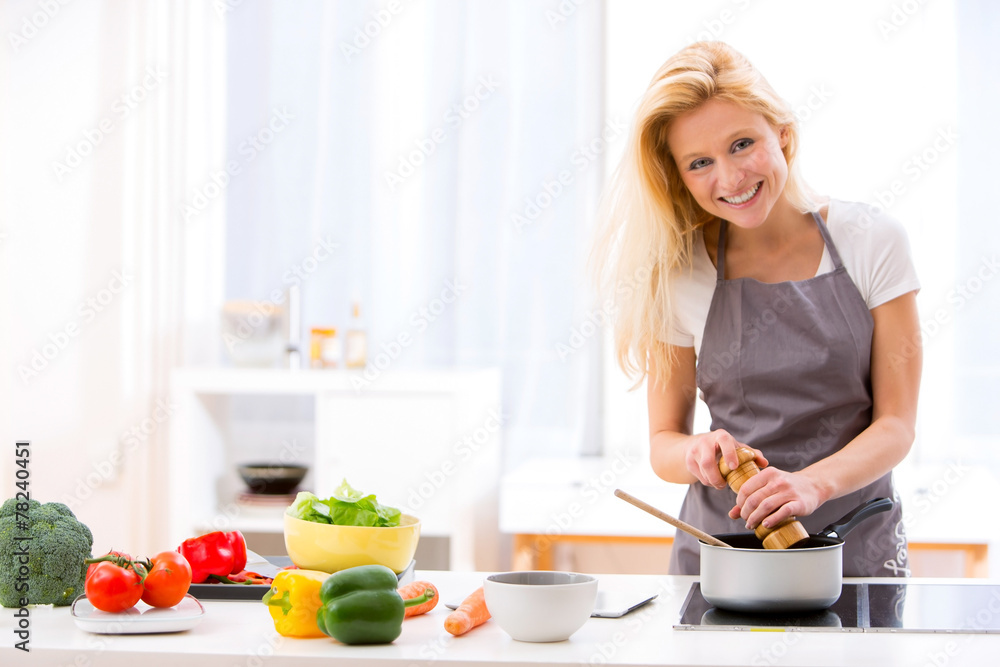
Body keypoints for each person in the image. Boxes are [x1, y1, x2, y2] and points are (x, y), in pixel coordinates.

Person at [593, 41, 921, 576]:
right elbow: (663, 443)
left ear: (783, 135)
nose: (730, 178)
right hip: (723, 557)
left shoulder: (871, 240)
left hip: (854, 548)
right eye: (700, 162)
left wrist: (812, 484)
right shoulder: (680, 271)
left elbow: (896, 425)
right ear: (679, 176)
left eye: (742, 144)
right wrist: (697, 451)